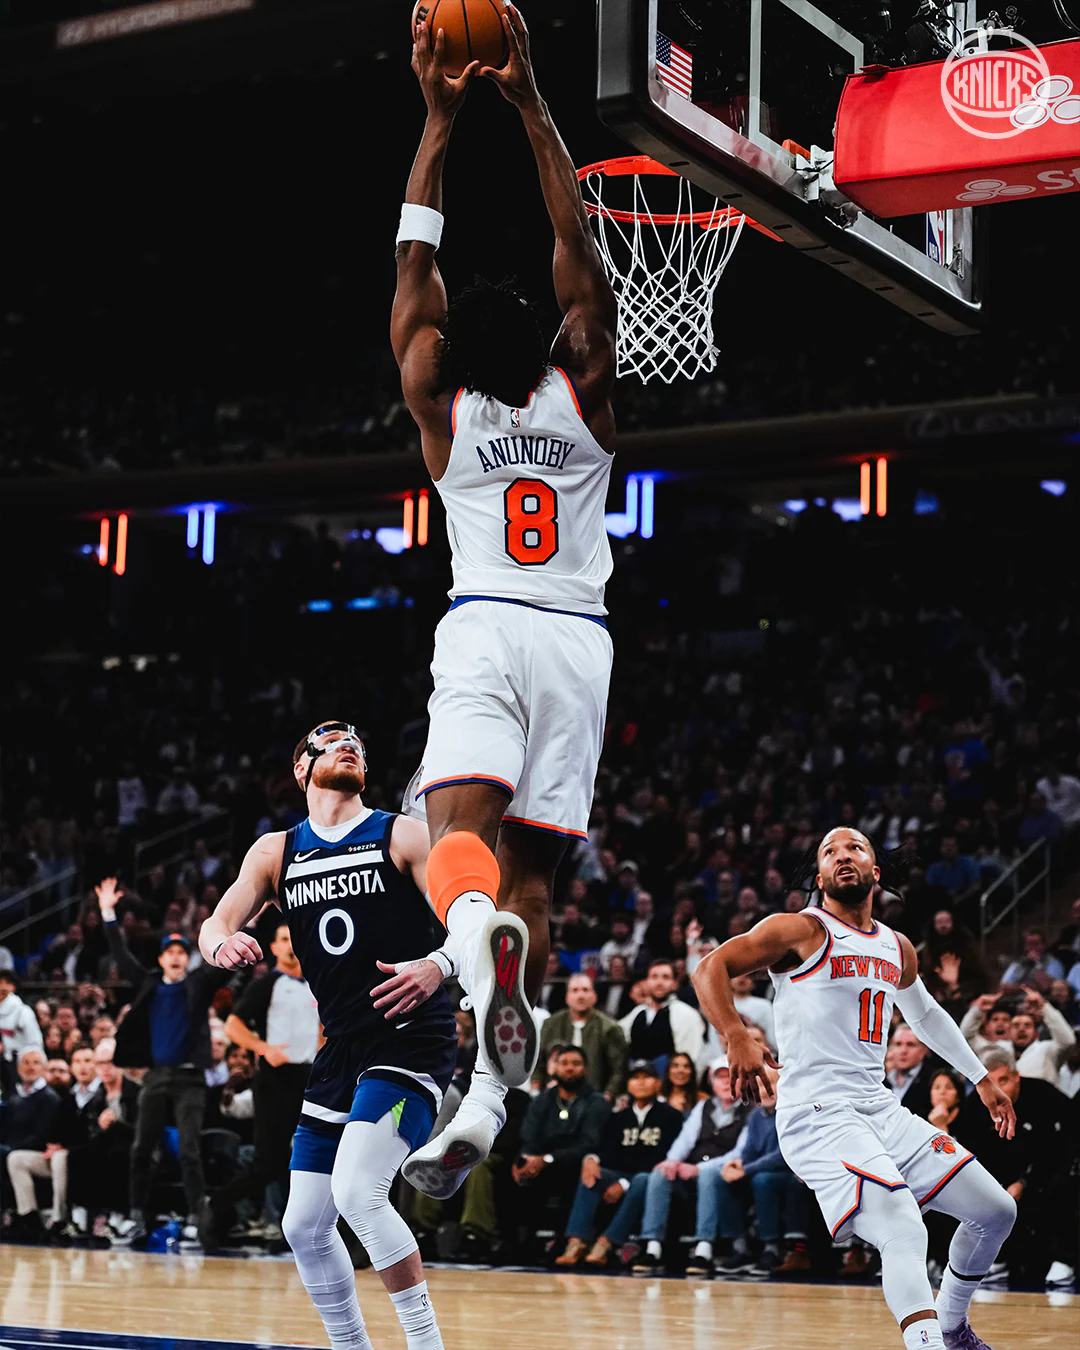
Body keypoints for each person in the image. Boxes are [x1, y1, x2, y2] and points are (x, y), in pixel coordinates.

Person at [391, 1, 618, 1201]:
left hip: (485, 622)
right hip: (578, 642)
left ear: (451, 353)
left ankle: (480, 971)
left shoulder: (444, 408)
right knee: (532, 882)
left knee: (454, 846)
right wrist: (530, 102)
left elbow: (413, 268)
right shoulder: (586, 389)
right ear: (551, 337)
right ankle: (484, 1099)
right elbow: (573, 236)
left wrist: (438, 121)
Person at [692, 826, 1017, 1350]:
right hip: (817, 1111)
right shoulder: (799, 929)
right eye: (830, 852)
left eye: (855, 848)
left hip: (879, 1108)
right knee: (903, 1228)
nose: (842, 855)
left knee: (996, 1212)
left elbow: (926, 1015)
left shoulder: (897, 946)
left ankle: (952, 1327)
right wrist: (735, 1034)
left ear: (875, 871)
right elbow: (711, 967)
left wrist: (981, 1078)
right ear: (820, 877)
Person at [199, 721, 456, 1350]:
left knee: (359, 1193)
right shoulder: (276, 852)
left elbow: (472, 920)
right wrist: (222, 943)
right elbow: (213, 924)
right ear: (302, 767)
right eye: (334, 740)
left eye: (358, 746)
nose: (350, 747)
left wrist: (438, 965)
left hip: (409, 1036)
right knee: (303, 1225)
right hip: (340, 1048)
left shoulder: (401, 833)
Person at [96, 876, 230, 1248]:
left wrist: (247, 922)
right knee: (141, 1149)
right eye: (169, 951)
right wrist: (108, 913)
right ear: (160, 959)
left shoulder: (197, 983)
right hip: (156, 1076)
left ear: (187, 959)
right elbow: (121, 953)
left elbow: (224, 963)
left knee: (189, 1151)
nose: (174, 956)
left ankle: (196, 1220)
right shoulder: (149, 984)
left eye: (180, 952)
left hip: (190, 1078)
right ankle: (136, 1217)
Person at [199, 922, 321, 1251]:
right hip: (274, 1080)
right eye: (284, 939)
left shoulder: (317, 984)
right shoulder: (267, 983)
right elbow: (233, 1025)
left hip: (310, 1077)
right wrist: (264, 1048)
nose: (291, 944)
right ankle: (217, 1206)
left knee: (312, 1155)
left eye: (295, 937)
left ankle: (302, 1230)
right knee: (270, 1161)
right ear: (275, 948)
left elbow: (323, 1029)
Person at [954, 1048, 1077, 1289]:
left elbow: (1060, 1148)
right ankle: (990, 1259)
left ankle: (1064, 1259)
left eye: (1003, 1081)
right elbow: (969, 1152)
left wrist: (1024, 1183)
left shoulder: (1045, 1096)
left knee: (1062, 1188)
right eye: (990, 1082)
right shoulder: (975, 1105)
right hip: (996, 1178)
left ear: (1016, 1076)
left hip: (1045, 1173)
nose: (998, 1089)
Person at [554, 1058, 682, 1268]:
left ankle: (607, 1242)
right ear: (628, 1084)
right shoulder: (619, 1117)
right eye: (635, 1078)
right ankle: (576, 1240)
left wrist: (623, 1185)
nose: (641, 1083)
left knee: (642, 1179)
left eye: (647, 1077)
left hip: (652, 1178)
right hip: (622, 1173)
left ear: (658, 1083)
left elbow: (663, 1158)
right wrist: (592, 1159)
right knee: (593, 1174)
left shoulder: (671, 1117)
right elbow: (608, 1151)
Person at [685, 1065, 810, 1278]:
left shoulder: (793, 1113)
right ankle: (739, 1246)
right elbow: (749, 1151)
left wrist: (747, 1169)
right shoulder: (756, 1116)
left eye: (770, 1084)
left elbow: (783, 1155)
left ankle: (771, 1248)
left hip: (789, 1173)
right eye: (759, 1085)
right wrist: (737, 1166)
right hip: (762, 1170)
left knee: (762, 1180)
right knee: (723, 1177)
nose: (764, 1090)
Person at [630, 1056, 750, 1275]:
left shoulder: (750, 1108)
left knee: (708, 1174)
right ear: (712, 1082)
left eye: (733, 1076)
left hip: (726, 1172)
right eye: (721, 1077)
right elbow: (684, 1141)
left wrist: (699, 1168)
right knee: (661, 1172)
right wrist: (672, 1162)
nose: (727, 1082)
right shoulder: (704, 1106)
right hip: (692, 1170)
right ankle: (652, 1247)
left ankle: (704, 1249)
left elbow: (741, 1152)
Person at [511, 1046, 610, 1249]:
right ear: (555, 1068)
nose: (570, 1068)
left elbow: (589, 1143)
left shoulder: (596, 1102)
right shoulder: (543, 1100)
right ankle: (514, 1243)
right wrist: (526, 1159)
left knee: (571, 1175)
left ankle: (565, 1241)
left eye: (576, 1063)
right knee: (513, 1174)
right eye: (564, 1063)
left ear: (586, 1069)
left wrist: (548, 1159)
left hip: (574, 1164)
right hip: (541, 1163)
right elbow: (529, 1135)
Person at [1, 1047, 61, 1241]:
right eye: (26, 1063)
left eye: (36, 1063)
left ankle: (28, 1218)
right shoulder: (14, 1097)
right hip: (13, 1148)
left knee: (9, 1156)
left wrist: (11, 1148)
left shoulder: (49, 1098)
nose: (30, 1067)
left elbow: (43, 1135)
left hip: (37, 1152)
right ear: (18, 1068)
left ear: (43, 1068)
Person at [537, 973, 627, 1099]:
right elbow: (538, 1062)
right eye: (575, 990)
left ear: (594, 996)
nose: (580, 996)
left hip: (594, 1097)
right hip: (553, 1096)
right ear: (567, 997)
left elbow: (619, 1070)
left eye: (585, 990)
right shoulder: (550, 1024)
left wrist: (606, 1098)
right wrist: (535, 1092)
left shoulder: (610, 1028)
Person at [620, 960, 705, 1073]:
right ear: (646, 982)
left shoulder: (687, 1015)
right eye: (654, 977)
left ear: (674, 984)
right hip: (637, 1077)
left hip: (668, 1078)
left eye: (665, 977)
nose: (659, 982)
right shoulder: (638, 1012)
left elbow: (691, 1056)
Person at [0, 970, 44, 1075]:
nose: (2, 987)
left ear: (13, 987)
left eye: (7, 983)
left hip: (16, 1065)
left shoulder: (23, 1011)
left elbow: (35, 1043)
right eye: (0, 983)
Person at [660, 1051, 707, 1116]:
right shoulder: (658, 1097)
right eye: (675, 1066)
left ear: (692, 1072)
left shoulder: (702, 1099)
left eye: (686, 1066)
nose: (681, 1070)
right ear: (668, 1071)